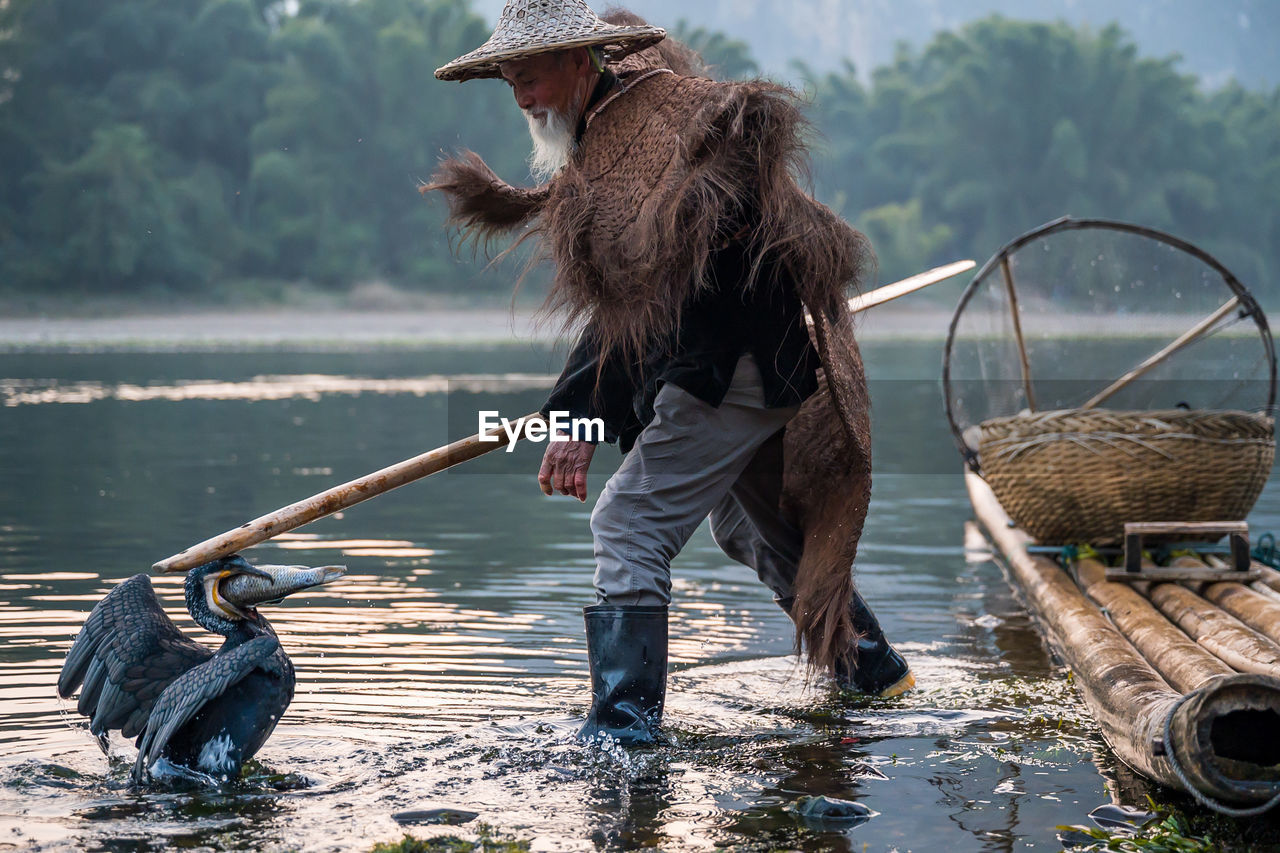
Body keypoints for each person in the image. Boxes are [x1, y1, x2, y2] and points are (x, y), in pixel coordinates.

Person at [426, 0, 913, 745]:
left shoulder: (637, 140)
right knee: (752, 529)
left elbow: (635, 306)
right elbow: (633, 309)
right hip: (745, 362)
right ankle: (874, 671)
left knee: (626, 524)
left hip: (732, 365)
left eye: (531, 78)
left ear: (580, 63)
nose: (522, 97)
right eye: (510, 84)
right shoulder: (619, 129)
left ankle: (625, 737)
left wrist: (578, 421)